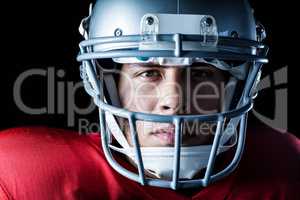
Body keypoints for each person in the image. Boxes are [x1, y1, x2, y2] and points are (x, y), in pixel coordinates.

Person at [0, 0, 299, 199]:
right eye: (149, 73)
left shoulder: (287, 170)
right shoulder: (28, 177)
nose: (174, 101)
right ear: (108, 84)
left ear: (235, 85)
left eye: (202, 74)